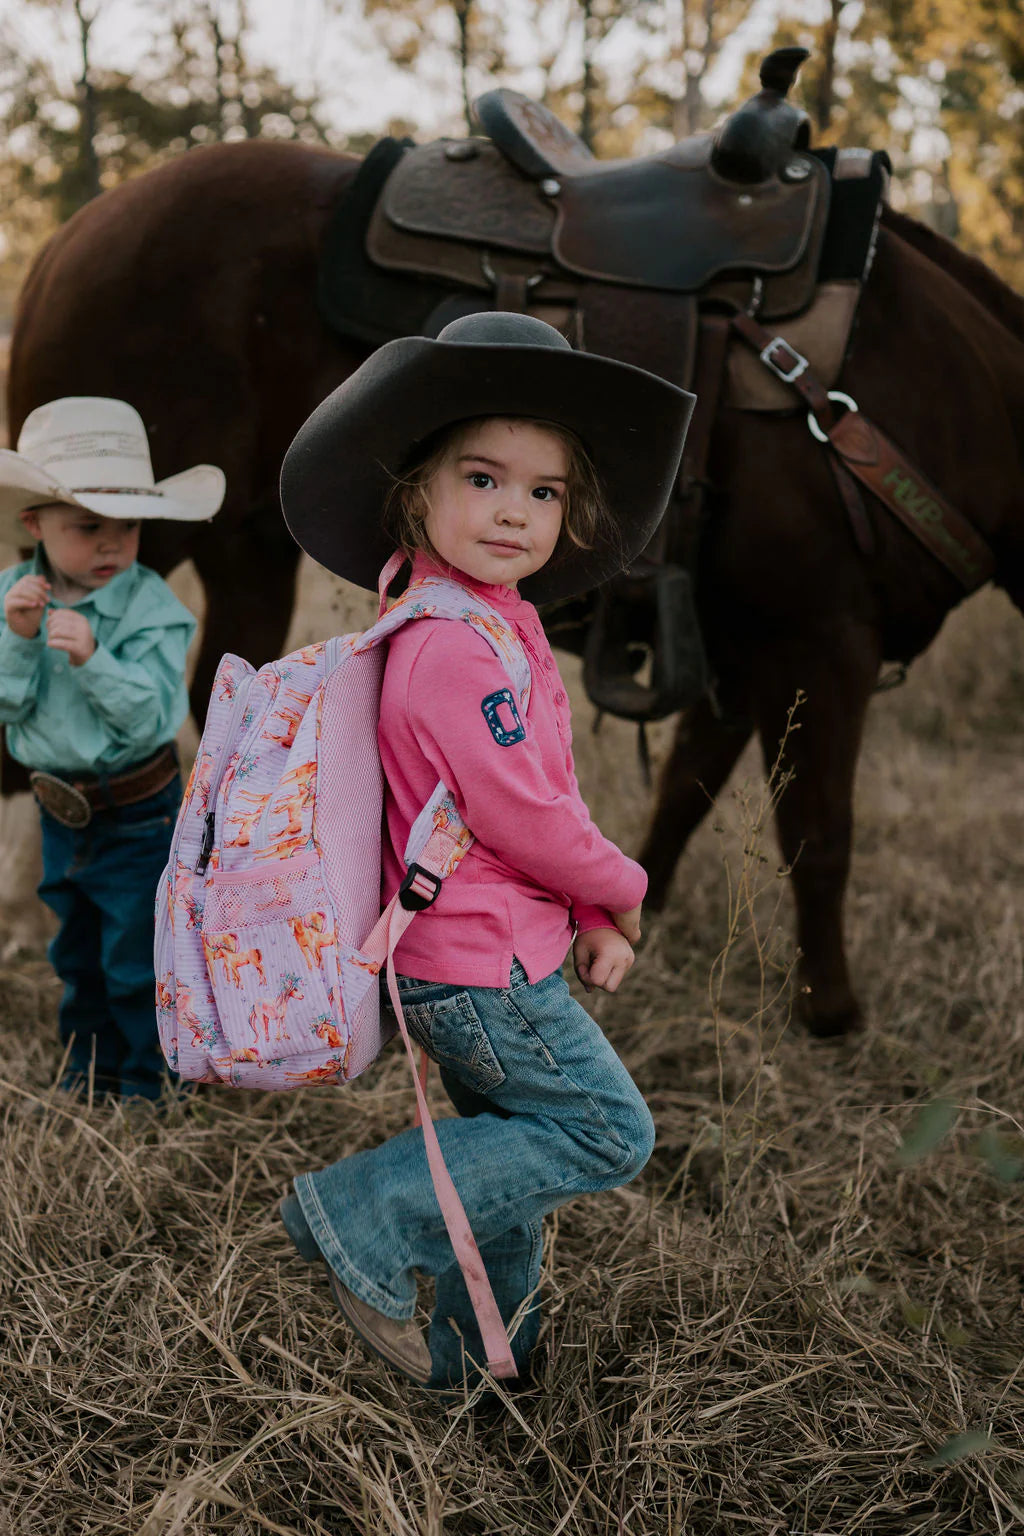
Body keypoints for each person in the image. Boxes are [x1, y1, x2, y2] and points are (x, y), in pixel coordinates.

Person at [276, 311, 694, 1394]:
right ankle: (366, 1212)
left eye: (544, 491)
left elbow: (532, 794)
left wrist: (586, 917)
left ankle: (484, 1360)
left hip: (471, 951)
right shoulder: (453, 644)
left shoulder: (479, 614)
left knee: (510, 1158)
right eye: (482, 478)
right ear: (416, 492)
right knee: (606, 1133)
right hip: (477, 971)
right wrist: (625, 886)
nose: (515, 509)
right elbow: (522, 818)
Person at [0, 397, 225, 1102]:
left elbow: (153, 717)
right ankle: (87, 1065)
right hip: (60, 809)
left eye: (126, 526)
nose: (111, 545)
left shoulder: (153, 607)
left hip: (135, 809)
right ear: (35, 523)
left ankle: (150, 1080)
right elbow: (7, 706)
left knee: (137, 952)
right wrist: (18, 639)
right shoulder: (14, 596)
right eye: (87, 525)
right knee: (77, 949)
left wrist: (93, 659)